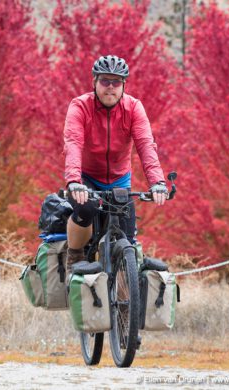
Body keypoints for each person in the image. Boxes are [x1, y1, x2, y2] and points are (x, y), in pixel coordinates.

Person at [64, 55, 168, 271]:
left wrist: (157, 182)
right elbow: (73, 143)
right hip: (87, 177)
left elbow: (146, 145)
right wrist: (74, 181)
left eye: (116, 82)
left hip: (120, 179)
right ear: (94, 82)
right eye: (105, 81)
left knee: (128, 241)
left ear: (123, 85)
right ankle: (74, 254)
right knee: (87, 208)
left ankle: (125, 298)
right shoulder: (80, 106)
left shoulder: (134, 108)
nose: (110, 87)